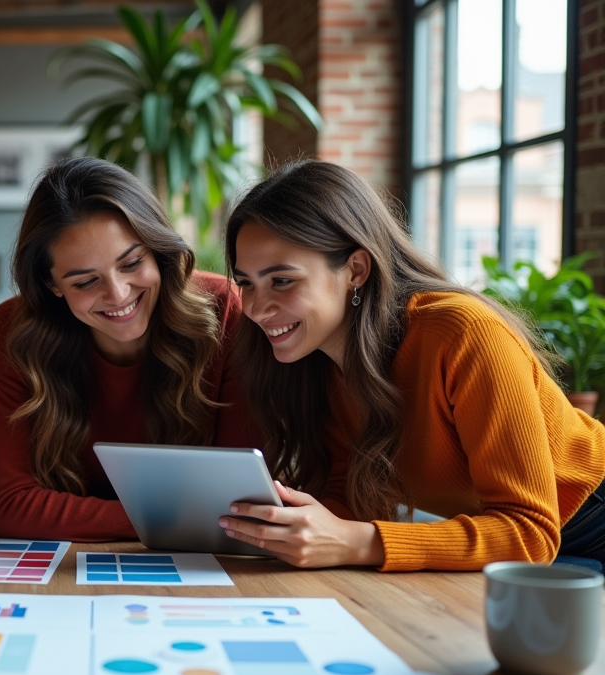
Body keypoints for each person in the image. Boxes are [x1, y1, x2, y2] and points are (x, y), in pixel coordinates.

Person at [219, 159, 605, 573]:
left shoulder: (464, 334)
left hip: (589, 525)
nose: (257, 309)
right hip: (518, 550)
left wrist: (359, 542)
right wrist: (289, 529)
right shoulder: (317, 359)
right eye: (246, 283)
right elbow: (345, 491)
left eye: (281, 281)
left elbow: (529, 533)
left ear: (356, 270)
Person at [0, 156, 256, 541]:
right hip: (73, 569)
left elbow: (239, 503)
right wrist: (173, 517)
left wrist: (79, 515)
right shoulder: (14, 330)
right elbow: (11, 506)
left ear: (157, 251)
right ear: (52, 285)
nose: (117, 294)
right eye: (84, 282)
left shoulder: (225, 310)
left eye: (131, 263)